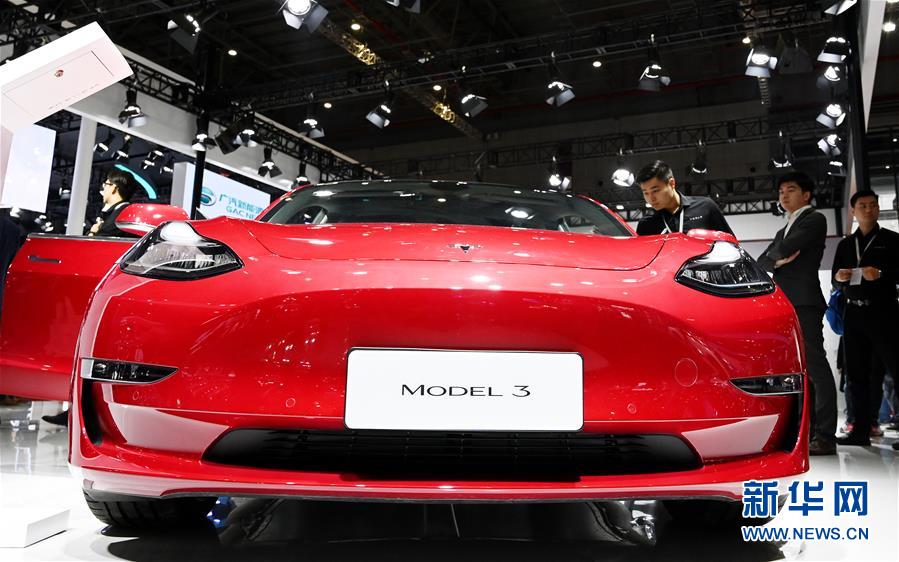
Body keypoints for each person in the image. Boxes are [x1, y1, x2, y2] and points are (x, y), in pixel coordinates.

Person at [757, 171, 837, 455]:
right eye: (781, 191)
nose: (784, 195)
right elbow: (762, 261)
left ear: (806, 195)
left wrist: (778, 257)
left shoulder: (814, 219)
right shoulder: (784, 229)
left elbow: (785, 248)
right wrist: (778, 260)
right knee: (797, 371)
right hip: (787, 304)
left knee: (815, 366)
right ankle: (810, 432)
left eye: (790, 189)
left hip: (804, 302)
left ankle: (825, 435)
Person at [831, 190, 899, 447]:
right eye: (863, 206)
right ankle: (860, 430)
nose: (869, 210)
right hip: (854, 313)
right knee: (856, 374)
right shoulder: (846, 245)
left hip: (884, 312)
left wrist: (881, 274)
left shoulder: (891, 240)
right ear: (853, 211)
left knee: (895, 369)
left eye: (873, 205)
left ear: (878, 208)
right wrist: (839, 278)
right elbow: (834, 278)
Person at [634, 160, 733, 236]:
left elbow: (731, 245)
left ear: (671, 183)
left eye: (655, 191)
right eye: (646, 193)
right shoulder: (646, 224)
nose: (651, 198)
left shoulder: (705, 207)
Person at [88, 169, 138, 237]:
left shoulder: (121, 214)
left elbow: (102, 238)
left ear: (114, 188)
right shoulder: (123, 211)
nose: (103, 189)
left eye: (105, 185)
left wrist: (92, 233)